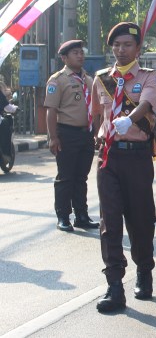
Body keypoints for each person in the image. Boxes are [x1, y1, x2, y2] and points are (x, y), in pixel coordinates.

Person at [92, 22, 156, 313]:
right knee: (109, 222)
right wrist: (98, 135)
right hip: (108, 158)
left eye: (127, 45)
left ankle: (144, 269)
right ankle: (114, 285)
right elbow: (96, 116)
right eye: (117, 45)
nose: (121, 50)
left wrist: (129, 119)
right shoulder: (100, 79)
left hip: (137, 156)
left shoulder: (148, 77)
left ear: (137, 49)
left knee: (140, 219)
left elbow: (146, 104)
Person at [44, 40, 99, 232]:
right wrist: (53, 138)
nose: (80, 56)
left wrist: (97, 132)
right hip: (67, 133)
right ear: (64, 58)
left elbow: (95, 109)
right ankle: (63, 216)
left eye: (81, 52)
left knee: (81, 177)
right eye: (75, 53)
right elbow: (51, 110)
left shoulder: (89, 79)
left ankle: (81, 215)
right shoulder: (57, 80)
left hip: (86, 134)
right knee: (66, 177)